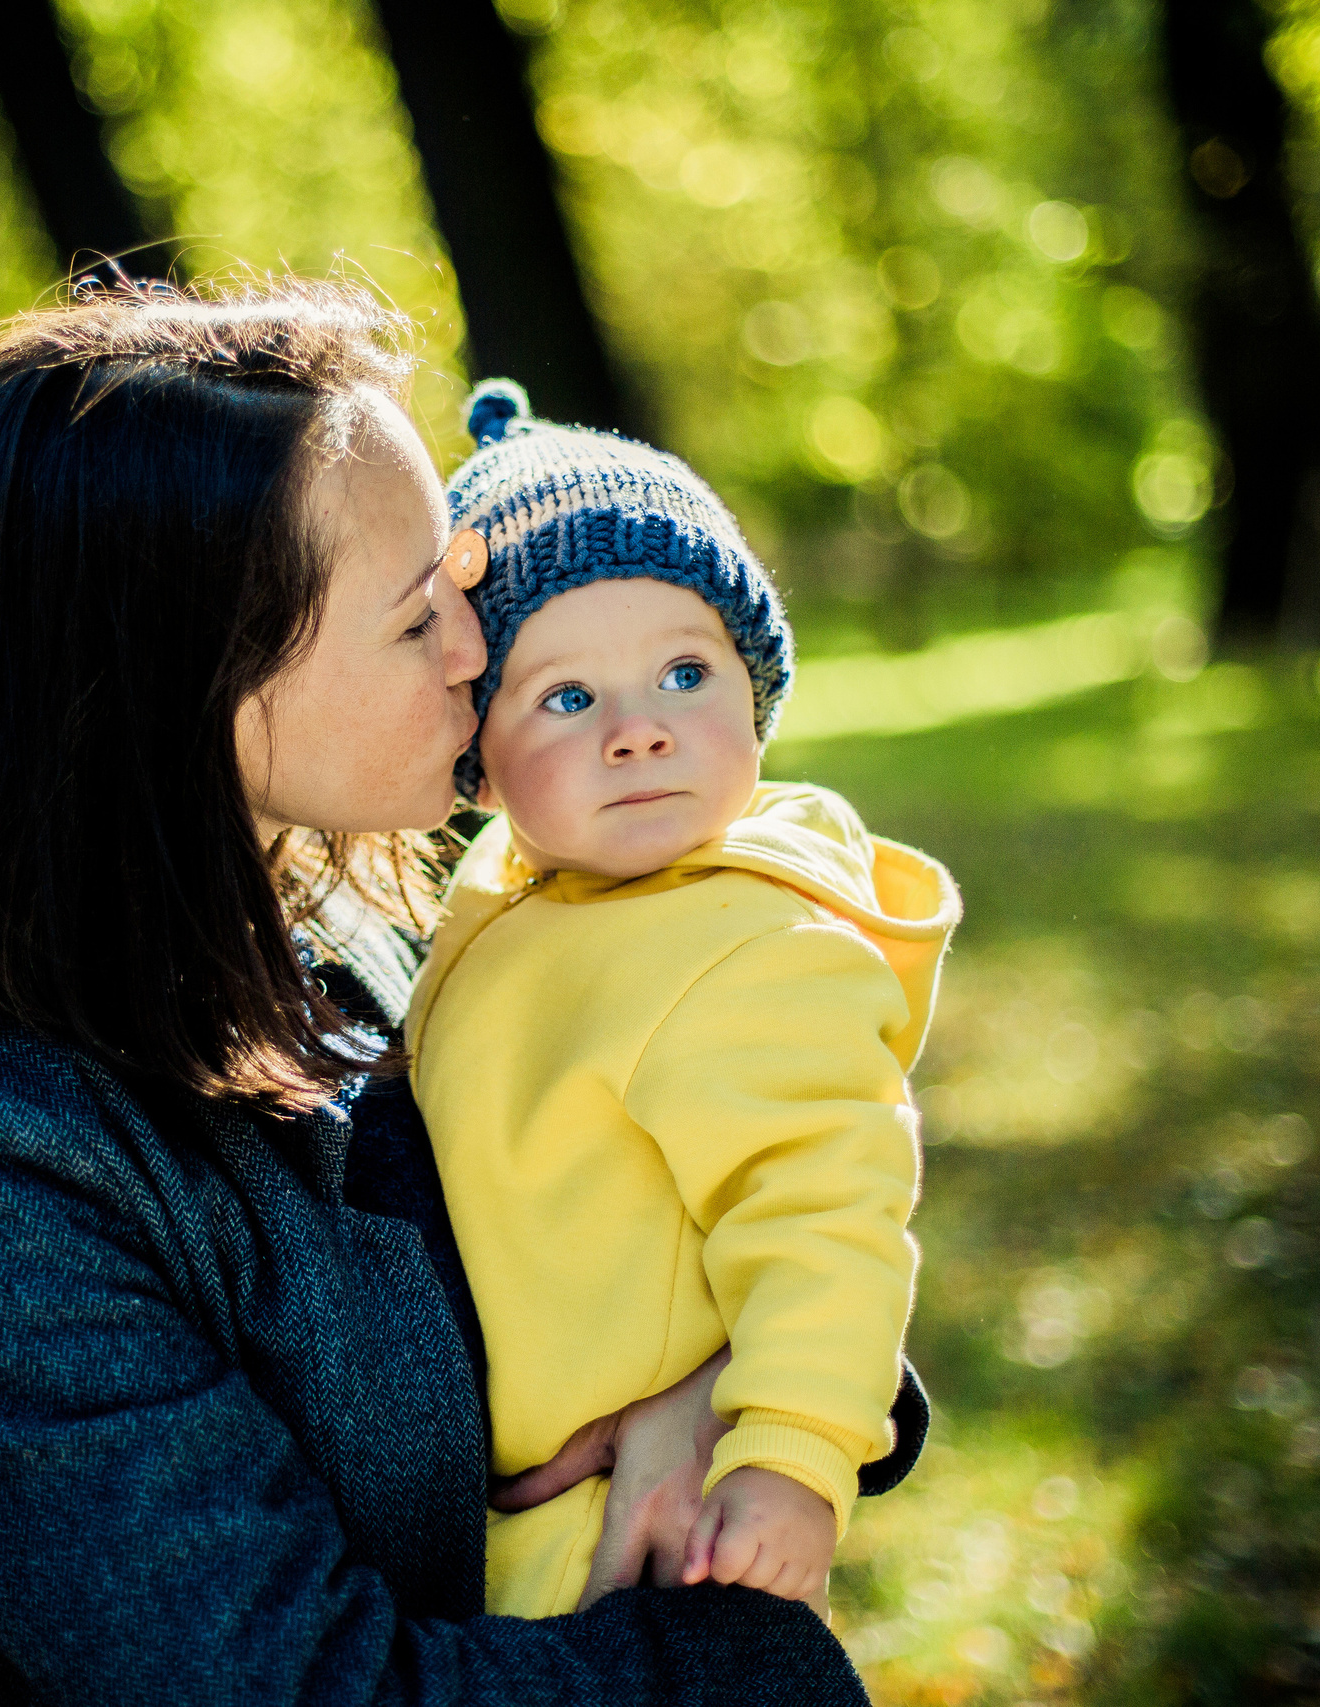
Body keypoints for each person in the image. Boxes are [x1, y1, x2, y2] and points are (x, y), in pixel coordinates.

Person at [0, 278, 915, 1702]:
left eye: (461, 589)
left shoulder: (376, 933)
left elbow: (734, 1177)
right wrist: (749, 1660)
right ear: (192, 678)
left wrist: (722, 1403)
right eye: (416, 620)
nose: (478, 650)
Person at [407, 383, 958, 1621]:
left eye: (682, 673)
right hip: (513, 1517)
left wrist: (792, 1459)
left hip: (654, 1528)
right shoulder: (507, 898)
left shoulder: (752, 947)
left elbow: (829, 1212)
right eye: (565, 698)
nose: (638, 732)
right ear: (477, 768)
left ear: (754, 696)